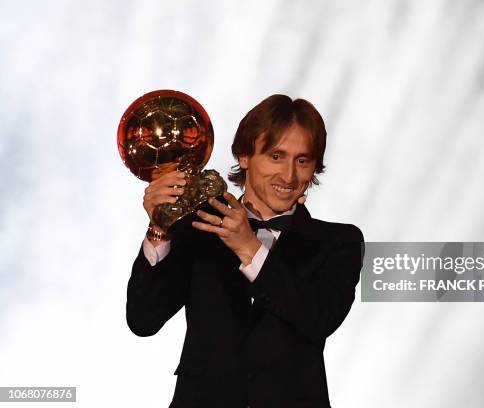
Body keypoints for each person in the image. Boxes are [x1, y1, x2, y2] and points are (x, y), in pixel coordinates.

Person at [126, 94, 364, 407]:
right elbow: (143, 321)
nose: (289, 176)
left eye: (302, 160)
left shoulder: (338, 242)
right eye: (276, 156)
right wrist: (160, 229)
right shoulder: (199, 228)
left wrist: (250, 248)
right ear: (244, 155)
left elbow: (318, 319)